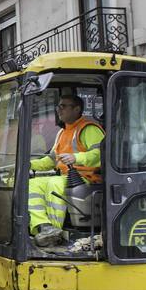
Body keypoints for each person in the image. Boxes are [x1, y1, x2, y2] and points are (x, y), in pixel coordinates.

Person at [28, 91, 103, 247]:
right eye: (58, 106)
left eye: (63, 106)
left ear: (76, 109)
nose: (59, 110)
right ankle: (43, 226)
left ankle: (55, 232)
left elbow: (101, 153)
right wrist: (29, 165)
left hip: (87, 178)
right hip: (67, 177)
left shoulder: (88, 129)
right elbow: (52, 159)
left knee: (54, 183)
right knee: (32, 184)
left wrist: (77, 158)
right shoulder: (62, 132)